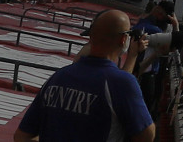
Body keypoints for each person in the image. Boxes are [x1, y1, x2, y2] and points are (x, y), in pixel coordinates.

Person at [13, 10, 156, 142]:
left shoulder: (58, 77)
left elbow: (21, 136)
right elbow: (146, 135)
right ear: (124, 39)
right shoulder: (122, 83)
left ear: (90, 36)